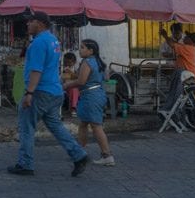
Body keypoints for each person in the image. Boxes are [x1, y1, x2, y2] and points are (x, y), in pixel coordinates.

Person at [7, 10, 88, 177]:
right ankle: (78, 154)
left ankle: (25, 163)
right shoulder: (53, 40)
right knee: (56, 127)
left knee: (26, 127)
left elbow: (37, 70)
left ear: (41, 23)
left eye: (31, 21)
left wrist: (29, 92)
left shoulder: (38, 43)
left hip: (39, 91)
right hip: (55, 91)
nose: (27, 24)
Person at [65, 39, 115, 167]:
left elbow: (81, 81)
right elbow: (106, 78)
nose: (80, 50)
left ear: (90, 50)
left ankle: (107, 155)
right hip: (98, 93)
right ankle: (80, 152)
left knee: (96, 126)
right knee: (83, 124)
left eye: (82, 47)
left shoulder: (87, 62)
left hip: (90, 96)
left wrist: (66, 85)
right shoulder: (99, 62)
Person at [160, 29, 195, 112]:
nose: (184, 37)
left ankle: (177, 114)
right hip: (189, 76)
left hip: (187, 76)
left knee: (181, 97)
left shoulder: (188, 48)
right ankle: (193, 120)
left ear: (190, 41)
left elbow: (172, 45)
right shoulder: (188, 48)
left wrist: (165, 35)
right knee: (189, 99)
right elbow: (174, 44)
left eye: (187, 37)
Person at [62, 51, 79, 117]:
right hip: (64, 86)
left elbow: (78, 77)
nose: (67, 64)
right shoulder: (61, 68)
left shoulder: (76, 69)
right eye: (65, 62)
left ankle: (73, 108)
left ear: (74, 62)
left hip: (72, 87)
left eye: (69, 62)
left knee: (74, 89)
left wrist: (71, 72)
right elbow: (61, 78)